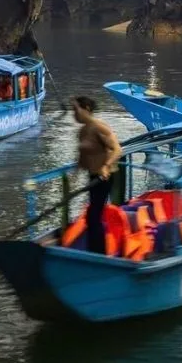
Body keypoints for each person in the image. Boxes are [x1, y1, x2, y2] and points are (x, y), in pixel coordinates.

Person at [74, 96, 122, 255]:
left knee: (94, 215)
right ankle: (93, 249)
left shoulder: (99, 127)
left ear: (87, 108)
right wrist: (75, 174)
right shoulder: (82, 131)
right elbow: (82, 156)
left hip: (105, 176)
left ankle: (100, 253)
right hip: (92, 176)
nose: (74, 114)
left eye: (76, 110)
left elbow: (117, 149)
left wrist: (106, 166)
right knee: (92, 215)